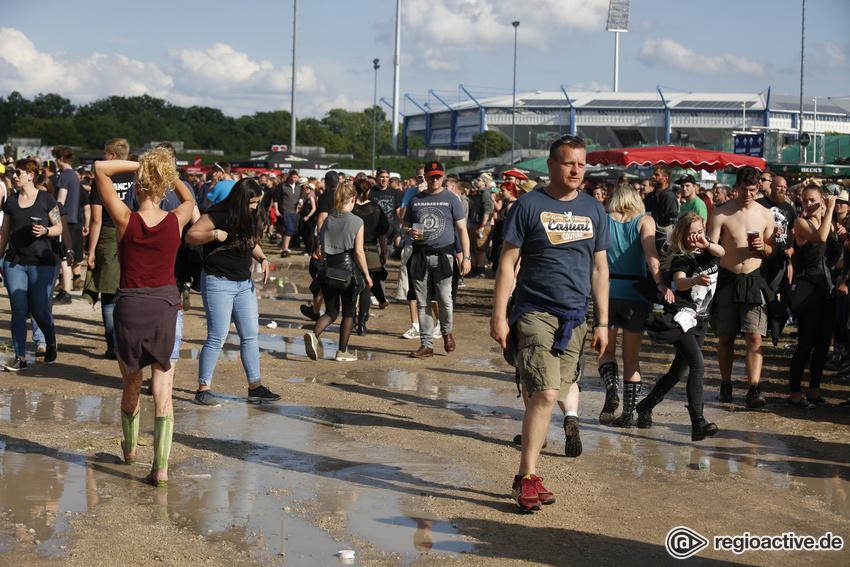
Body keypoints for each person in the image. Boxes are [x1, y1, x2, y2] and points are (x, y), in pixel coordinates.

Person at [490, 135, 610, 512]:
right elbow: (508, 263)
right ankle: (526, 477)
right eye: (568, 163)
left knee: (556, 391)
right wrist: (498, 313)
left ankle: (529, 473)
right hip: (534, 311)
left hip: (575, 317)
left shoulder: (594, 210)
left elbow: (600, 269)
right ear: (551, 165)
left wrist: (603, 322)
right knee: (543, 393)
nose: (576, 170)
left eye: (581, 163)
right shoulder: (527, 205)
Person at [92, 148, 195, 487]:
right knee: (163, 389)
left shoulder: (124, 217)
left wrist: (142, 166)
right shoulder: (178, 217)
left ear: (137, 187)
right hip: (166, 307)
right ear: (163, 187)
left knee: (131, 382)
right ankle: (160, 468)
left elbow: (100, 168)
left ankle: (131, 449)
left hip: (130, 308)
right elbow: (190, 198)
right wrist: (166, 172)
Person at [186, 178, 280, 406]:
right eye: (252, 202)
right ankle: (203, 390)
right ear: (241, 199)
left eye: (258, 202)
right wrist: (213, 235)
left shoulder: (250, 216)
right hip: (218, 281)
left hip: (243, 284)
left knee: (250, 335)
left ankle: (255, 387)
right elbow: (191, 235)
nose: (255, 206)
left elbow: (251, 241)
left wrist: (264, 258)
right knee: (217, 336)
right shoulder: (217, 214)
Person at [635, 211, 724, 440]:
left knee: (678, 371)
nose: (696, 237)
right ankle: (698, 423)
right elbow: (680, 282)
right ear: (682, 236)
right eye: (691, 234)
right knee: (698, 365)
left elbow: (722, 251)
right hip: (683, 318)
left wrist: (707, 242)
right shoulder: (681, 258)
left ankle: (646, 405)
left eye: (700, 232)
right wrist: (694, 280)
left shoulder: (708, 251)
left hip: (701, 320)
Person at [598, 186, 674, 427]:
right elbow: (652, 254)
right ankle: (628, 414)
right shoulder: (645, 221)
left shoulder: (603, 218)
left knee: (606, 351)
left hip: (607, 293)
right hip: (637, 294)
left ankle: (611, 390)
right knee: (631, 358)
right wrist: (660, 283)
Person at [707, 166, 776, 408]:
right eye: (743, 190)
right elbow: (710, 248)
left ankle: (753, 388)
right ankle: (726, 383)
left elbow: (772, 251)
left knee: (754, 337)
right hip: (727, 279)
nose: (747, 194)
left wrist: (763, 248)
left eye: (752, 190)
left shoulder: (766, 214)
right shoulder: (721, 214)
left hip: (753, 279)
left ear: (758, 188)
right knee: (725, 337)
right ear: (736, 187)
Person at [401, 161, 471, 358]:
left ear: (442, 176)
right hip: (421, 255)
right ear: (425, 177)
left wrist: (466, 257)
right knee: (422, 302)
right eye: (431, 176)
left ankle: (447, 331)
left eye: (438, 176)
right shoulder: (416, 200)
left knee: (445, 300)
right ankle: (427, 344)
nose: (435, 179)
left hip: (445, 256)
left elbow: (462, 229)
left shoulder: (452, 199)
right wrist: (409, 232)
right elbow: (404, 227)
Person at [0, 159, 62, 371]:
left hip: (42, 264)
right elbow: (4, 234)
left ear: (30, 175)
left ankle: (51, 343)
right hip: (14, 262)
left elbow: (59, 228)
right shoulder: (10, 201)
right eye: (14, 173)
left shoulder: (46, 198)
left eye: (18, 172)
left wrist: (45, 231)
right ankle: (20, 358)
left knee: (39, 311)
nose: (14, 176)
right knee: (18, 309)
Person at [304, 183, 373, 362]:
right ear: (353, 199)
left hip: (328, 270)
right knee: (349, 313)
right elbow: (358, 252)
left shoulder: (328, 220)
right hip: (348, 272)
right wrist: (366, 275)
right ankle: (342, 352)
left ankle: (313, 335)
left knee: (331, 312)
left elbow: (324, 249)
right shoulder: (358, 221)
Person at [786, 185, 839, 408]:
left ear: (821, 201)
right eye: (805, 201)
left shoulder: (829, 223)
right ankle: (795, 394)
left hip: (826, 287)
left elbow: (834, 255)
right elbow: (820, 237)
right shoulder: (800, 223)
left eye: (812, 200)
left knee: (823, 344)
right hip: (807, 287)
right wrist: (830, 211)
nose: (808, 205)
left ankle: (814, 392)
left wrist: (840, 236)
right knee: (806, 343)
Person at [84, 139, 136, 359]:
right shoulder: (136, 175)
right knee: (129, 290)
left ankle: (112, 344)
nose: (103, 157)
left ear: (113, 155)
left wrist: (91, 250)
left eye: (105, 153)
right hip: (134, 232)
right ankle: (126, 341)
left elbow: (96, 219)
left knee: (107, 293)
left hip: (107, 233)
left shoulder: (101, 178)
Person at [351, 178, 390, 335]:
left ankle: (352, 319)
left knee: (353, 288)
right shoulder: (376, 208)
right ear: (368, 191)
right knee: (366, 289)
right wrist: (383, 252)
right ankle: (362, 324)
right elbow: (382, 234)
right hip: (371, 251)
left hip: (353, 251)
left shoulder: (350, 209)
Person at [644, 164, 679, 253]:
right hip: (650, 237)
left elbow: (672, 222)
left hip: (663, 241)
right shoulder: (650, 196)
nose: (653, 177)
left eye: (657, 175)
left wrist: (668, 244)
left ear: (665, 178)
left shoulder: (668, 196)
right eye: (653, 174)